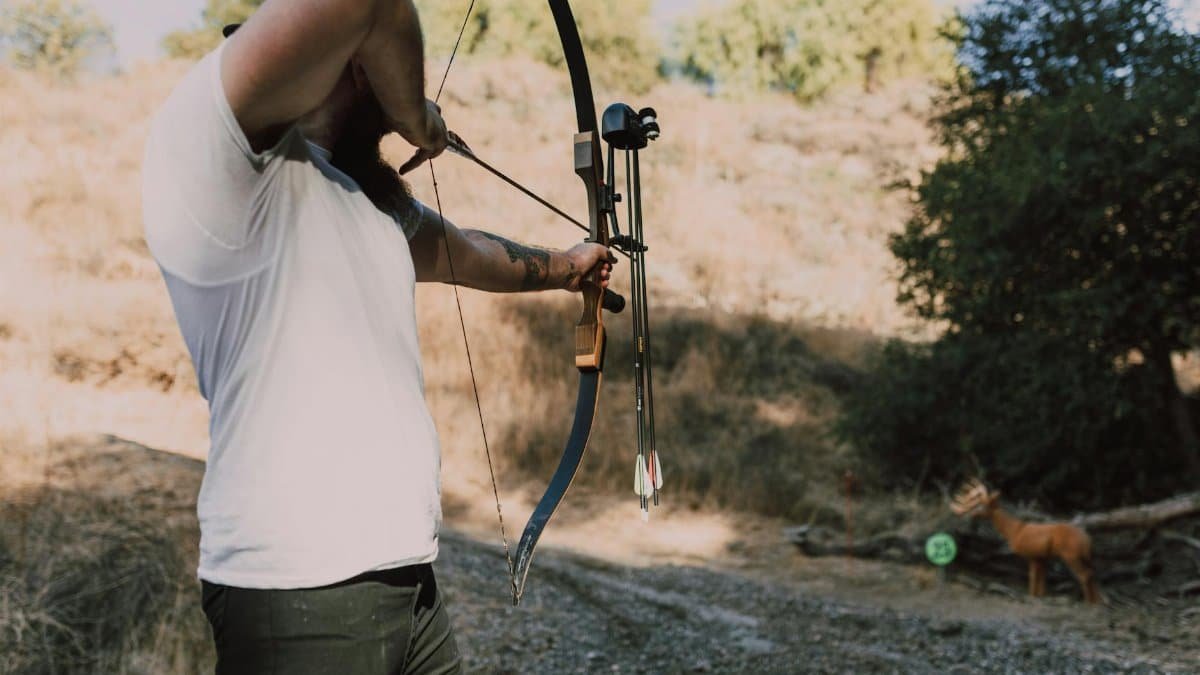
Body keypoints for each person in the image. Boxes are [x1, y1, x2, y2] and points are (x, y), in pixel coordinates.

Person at [140, 1, 613, 673]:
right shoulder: (224, 157)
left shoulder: (367, 199)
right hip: (301, 590)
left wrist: (571, 266)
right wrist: (417, 115)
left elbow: (471, 253)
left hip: (407, 583)